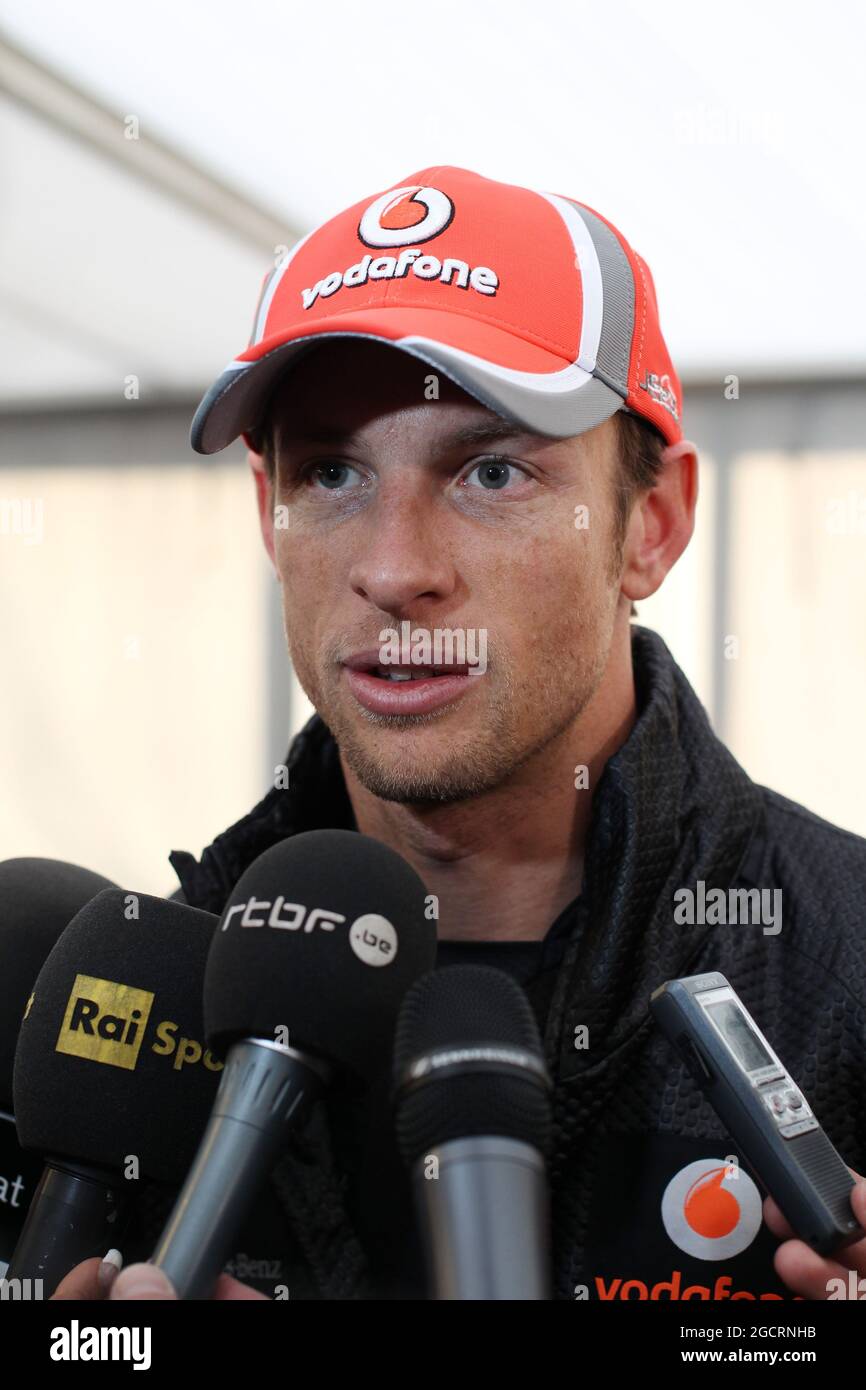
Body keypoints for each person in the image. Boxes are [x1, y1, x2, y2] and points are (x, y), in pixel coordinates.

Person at [56, 165, 866, 1302]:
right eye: (330, 472)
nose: (393, 570)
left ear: (653, 525)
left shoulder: (840, 971)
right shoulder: (144, 1014)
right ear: (268, 517)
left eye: (491, 471)